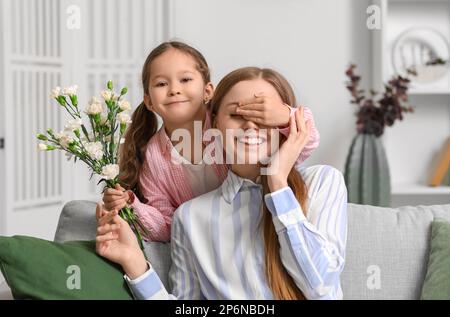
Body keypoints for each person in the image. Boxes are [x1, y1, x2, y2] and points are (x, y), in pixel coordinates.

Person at [96, 67, 348, 300]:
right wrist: (135, 263)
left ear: (284, 123)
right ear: (215, 123)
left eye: (263, 114)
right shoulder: (191, 217)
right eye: (237, 114)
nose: (250, 124)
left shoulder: (322, 183)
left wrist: (278, 182)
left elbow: (322, 290)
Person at [102, 41, 320, 242]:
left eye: (185, 79)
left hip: (262, 225)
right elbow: (168, 227)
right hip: (214, 241)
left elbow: (306, 143)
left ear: (208, 91)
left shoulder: (231, 124)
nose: (174, 89)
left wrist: (284, 115)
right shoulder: (154, 157)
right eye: (161, 83)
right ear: (149, 101)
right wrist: (132, 204)